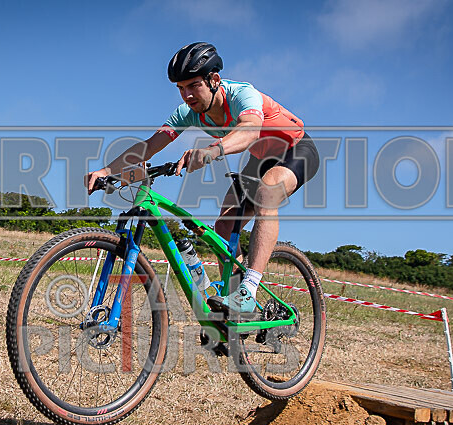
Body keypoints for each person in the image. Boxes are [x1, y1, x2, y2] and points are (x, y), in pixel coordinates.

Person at [86, 42, 320, 316]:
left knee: (268, 191)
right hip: (261, 159)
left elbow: (250, 131)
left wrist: (211, 151)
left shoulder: (243, 94)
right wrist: (106, 170)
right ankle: (236, 309)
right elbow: (149, 146)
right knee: (223, 225)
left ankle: (248, 290)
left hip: (296, 149)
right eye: (180, 88)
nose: (186, 95)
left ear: (214, 80)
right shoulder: (189, 113)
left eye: (193, 86)